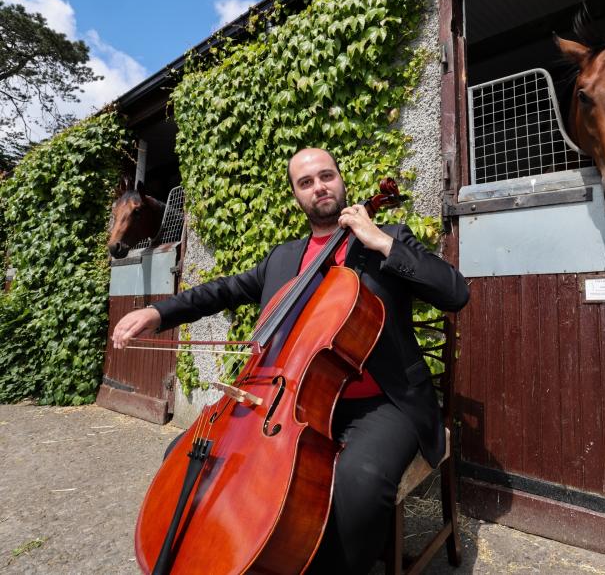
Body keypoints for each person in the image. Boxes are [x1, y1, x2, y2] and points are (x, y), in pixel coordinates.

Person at [112, 147, 469, 574]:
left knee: (359, 482)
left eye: (326, 176)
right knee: (187, 453)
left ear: (340, 180)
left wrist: (380, 240)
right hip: (293, 403)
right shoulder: (283, 258)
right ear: (296, 196)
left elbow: (454, 292)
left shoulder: (387, 237)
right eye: (306, 182)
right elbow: (222, 290)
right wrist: (158, 312)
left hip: (381, 403)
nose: (319, 186)